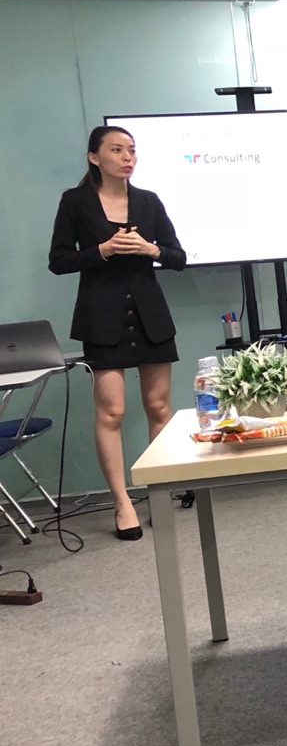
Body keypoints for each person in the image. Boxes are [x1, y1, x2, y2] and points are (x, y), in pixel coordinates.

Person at [48, 125, 187, 540]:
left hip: (150, 316)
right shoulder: (75, 202)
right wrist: (103, 251)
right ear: (95, 157)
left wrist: (151, 250)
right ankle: (122, 503)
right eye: (117, 150)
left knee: (158, 408)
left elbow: (178, 257)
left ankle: (159, 493)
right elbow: (58, 261)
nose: (128, 157)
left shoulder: (149, 201)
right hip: (101, 317)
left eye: (132, 150)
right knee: (112, 413)